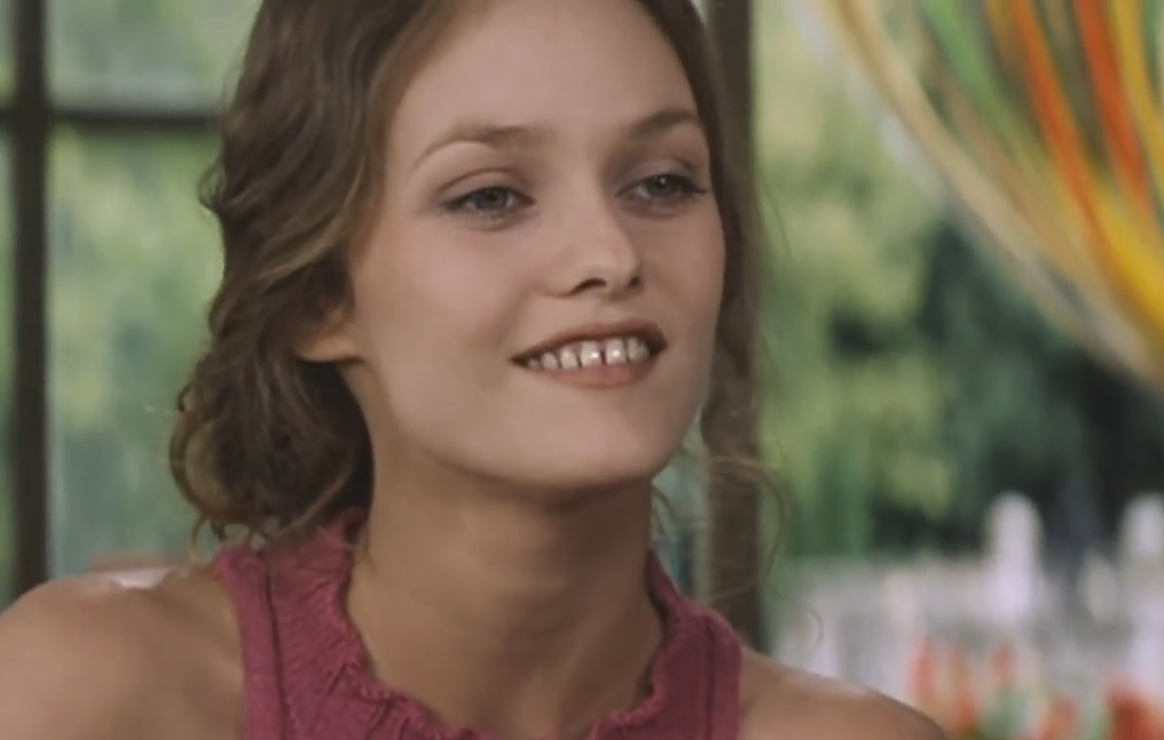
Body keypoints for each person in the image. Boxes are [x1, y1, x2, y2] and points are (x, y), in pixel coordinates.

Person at [0, 1, 946, 738]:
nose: (611, 255)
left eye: (662, 182)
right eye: (491, 197)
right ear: (319, 296)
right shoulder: (83, 697)